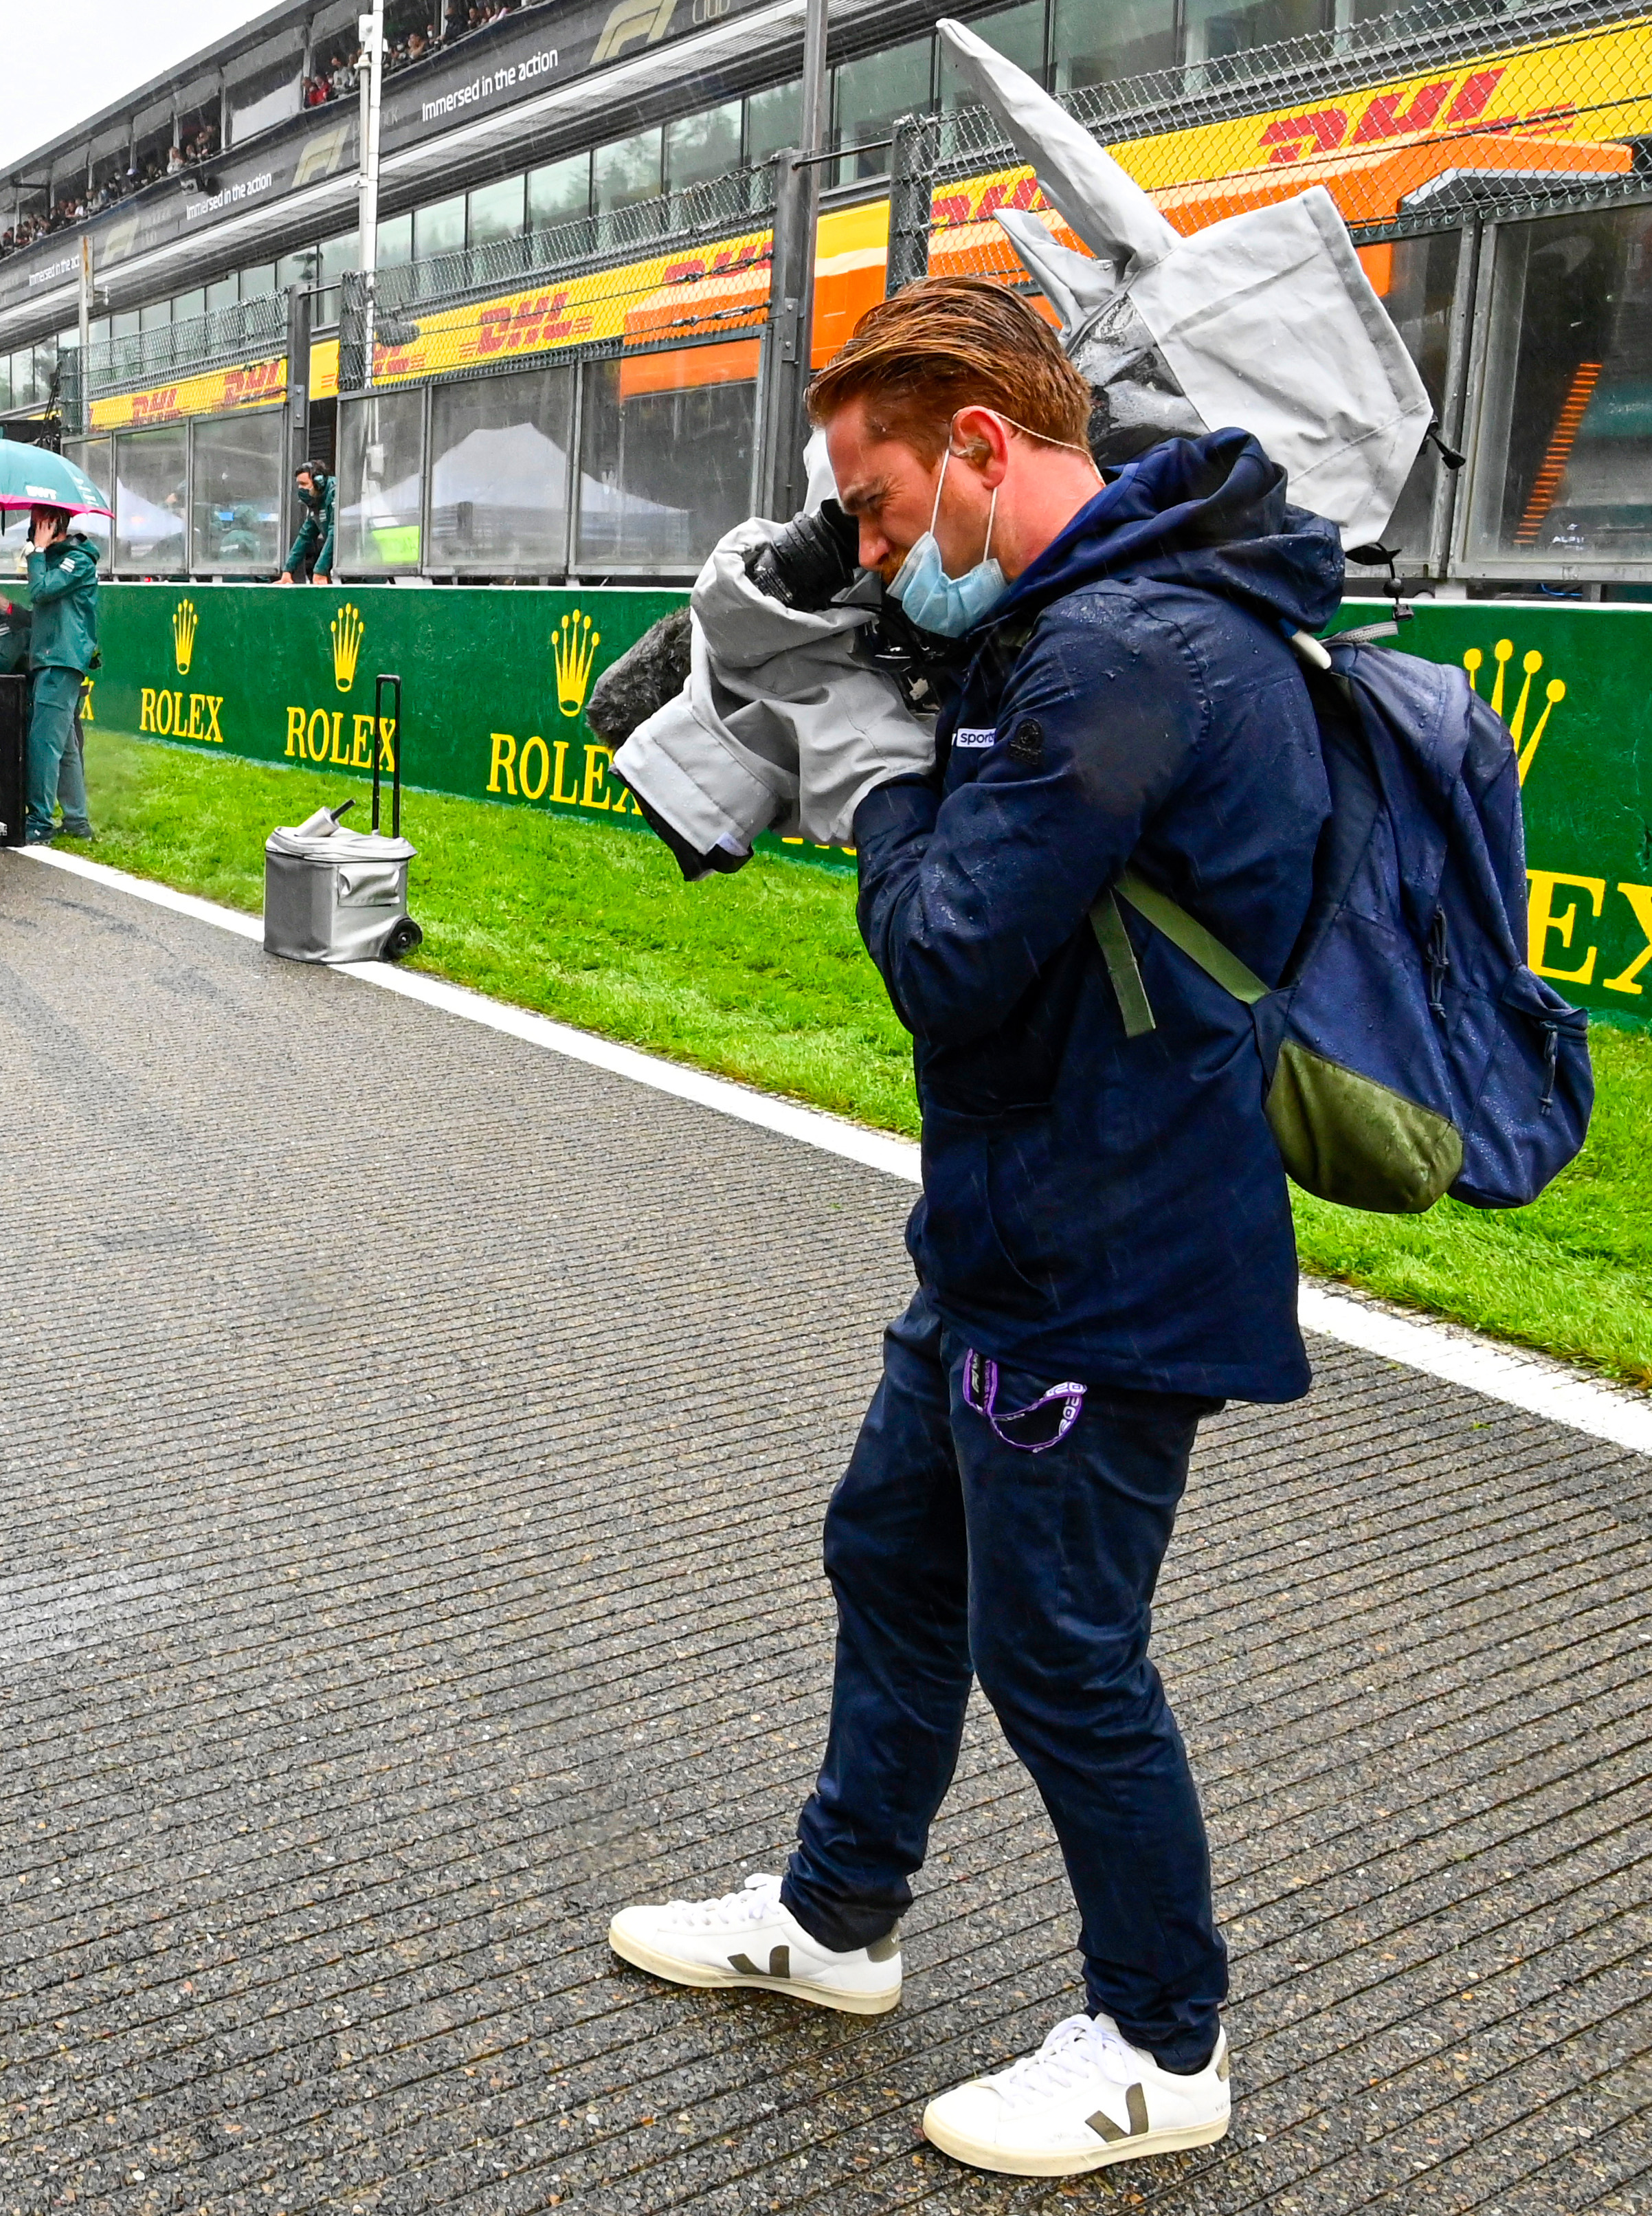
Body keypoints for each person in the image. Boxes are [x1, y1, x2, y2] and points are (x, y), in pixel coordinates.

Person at [603, 276, 1340, 2180]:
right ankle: (837, 1917)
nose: (859, 550)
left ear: (980, 455)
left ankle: (1161, 2045)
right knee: (893, 1560)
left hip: (1101, 1267)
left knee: (1065, 1657)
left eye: (870, 506)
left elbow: (941, 956)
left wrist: (858, 754)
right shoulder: (1077, 628)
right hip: (1010, 1238)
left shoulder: (1126, 660)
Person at [19, 505, 99, 845]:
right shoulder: (55, 561)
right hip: (52, 658)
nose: (33, 531)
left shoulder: (76, 561)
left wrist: (37, 552)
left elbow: (41, 592)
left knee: (43, 743)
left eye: (38, 524)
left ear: (52, 524)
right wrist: (6, 607)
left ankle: (39, 821)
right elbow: (44, 609)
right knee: (64, 746)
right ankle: (77, 821)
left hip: (61, 661)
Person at [280, 465, 337, 583]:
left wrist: (320, 570)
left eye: (304, 484)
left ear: (319, 482)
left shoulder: (336, 493)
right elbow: (305, 536)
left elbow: (336, 532)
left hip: (360, 566)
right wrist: (287, 571)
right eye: (299, 485)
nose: (301, 489)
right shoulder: (317, 500)